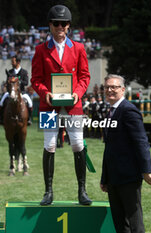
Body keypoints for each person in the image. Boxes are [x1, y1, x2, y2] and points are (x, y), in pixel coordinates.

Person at [31, 5, 92, 206]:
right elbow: (36, 79)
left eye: (63, 23)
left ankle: (82, 190)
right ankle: (48, 191)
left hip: (73, 105)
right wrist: (44, 93)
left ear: (68, 26)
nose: (59, 26)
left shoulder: (79, 48)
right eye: (56, 23)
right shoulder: (40, 50)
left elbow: (84, 76)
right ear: (50, 25)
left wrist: (78, 93)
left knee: (77, 144)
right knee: (49, 146)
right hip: (49, 106)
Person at [100, 74, 151, 233]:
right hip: (113, 178)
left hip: (129, 177)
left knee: (134, 222)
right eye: (107, 87)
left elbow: (141, 142)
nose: (110, 90)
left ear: (123, 89)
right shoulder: (110, 111)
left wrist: (146, 171)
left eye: (114, 87)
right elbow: (109, 148)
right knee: (120, 224)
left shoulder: (129, 110)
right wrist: (105, 177)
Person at [0, 55, 33, 125]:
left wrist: (18, 81)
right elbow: (7, 82)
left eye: (13, 62)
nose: (11, 63)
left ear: (18, 62)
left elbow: (26, 83)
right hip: (11, 92)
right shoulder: (10, 71)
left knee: (30, 103)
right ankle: (1, 118)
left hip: (22, 93)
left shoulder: (24, 72)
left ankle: (29, 118)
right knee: (1, 102)